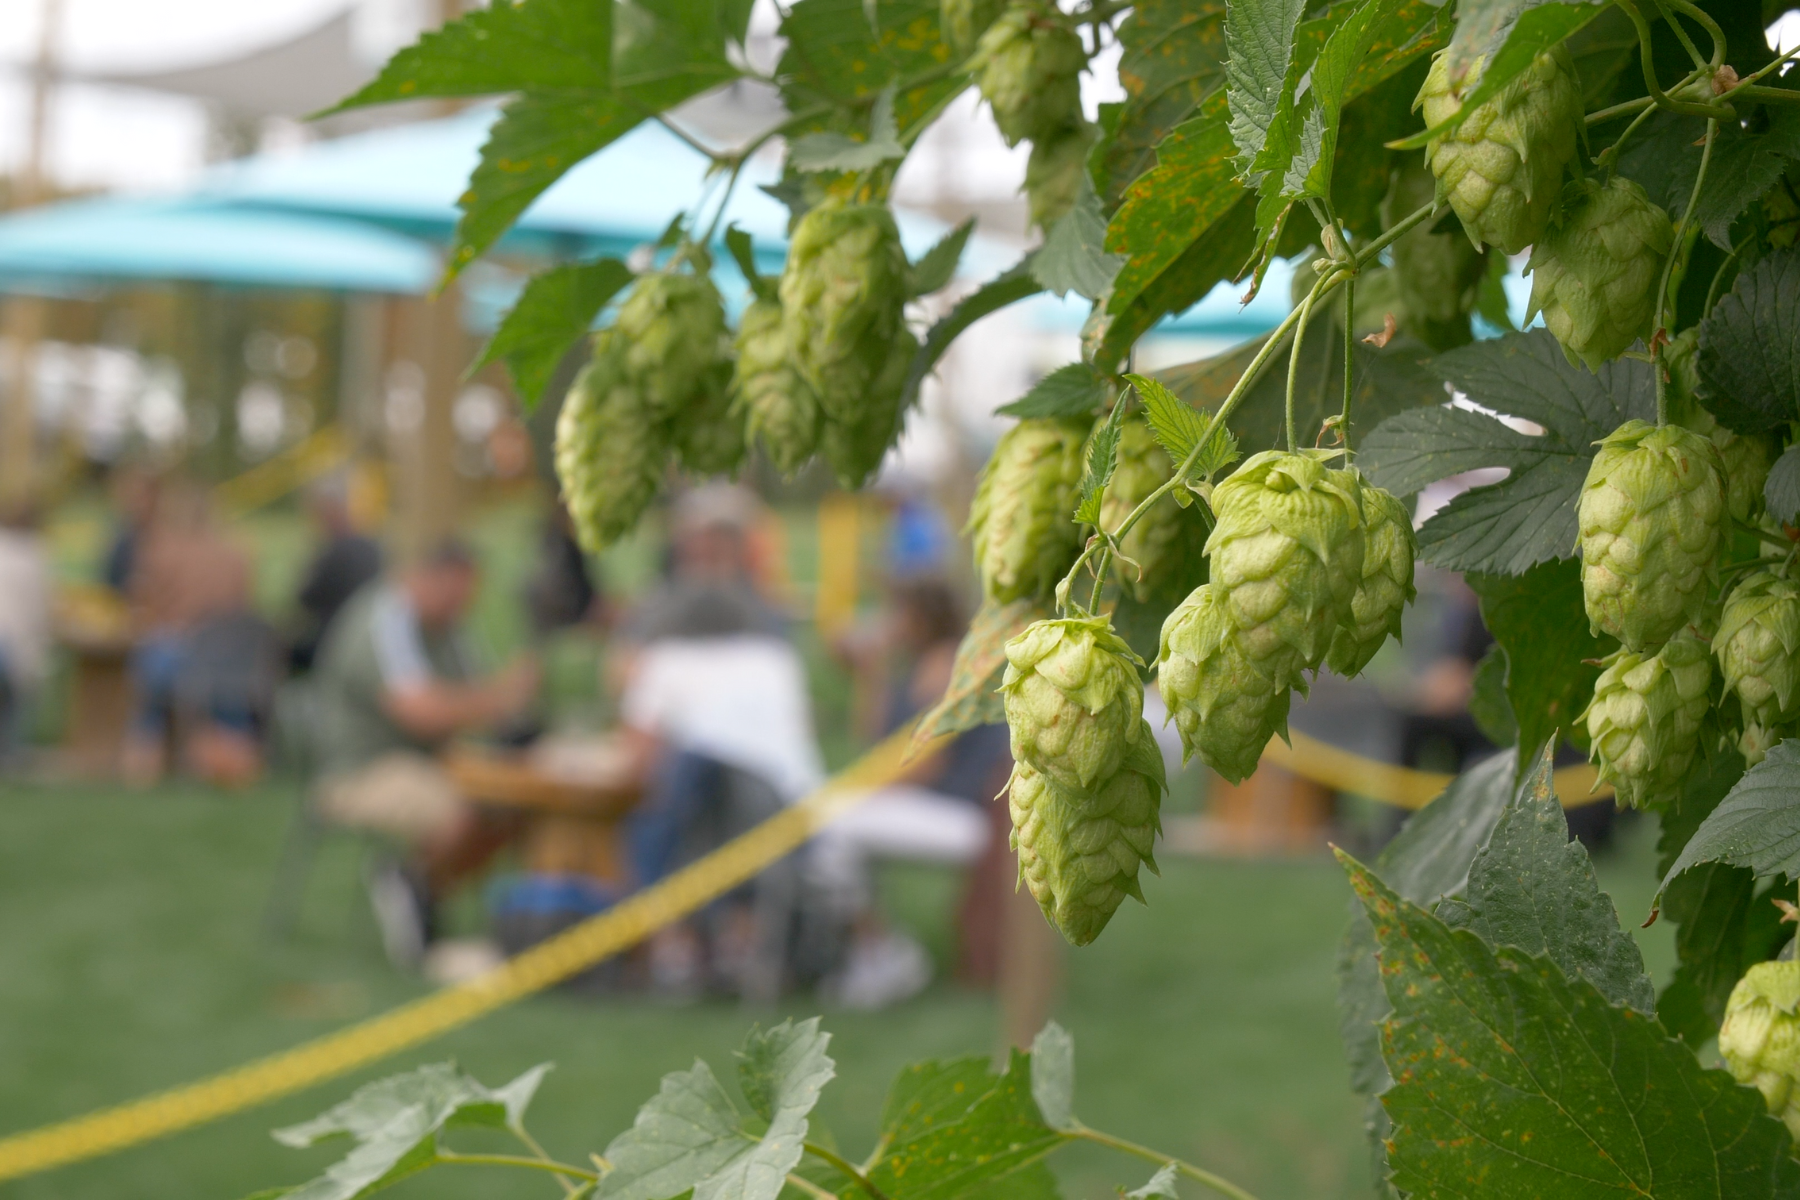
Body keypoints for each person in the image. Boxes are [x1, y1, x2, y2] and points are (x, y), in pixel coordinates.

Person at [608, 484, 823, 995]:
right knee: (689, 785)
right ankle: (707, 938)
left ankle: (672, 938)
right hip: (777, 803)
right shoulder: (767, 653)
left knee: (670, 798)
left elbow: (634, 736)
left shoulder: (758, 628)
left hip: (747, 803)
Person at [310, 539, 540, 967]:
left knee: (514, 809)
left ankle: (421, 891)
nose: (460, 607)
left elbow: (481, 703)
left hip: (429, 763)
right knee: (463, 810)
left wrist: (507, 703)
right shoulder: (386, 620)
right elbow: (421, 712)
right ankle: (411, 893)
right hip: (361, 770)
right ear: (423, 579)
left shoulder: (450, 627)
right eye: (453, 595)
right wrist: (499, 697)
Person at [815, 577, 1001, 1007]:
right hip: (934, 804)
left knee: (830, 828)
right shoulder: (915, 666)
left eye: (896, 614)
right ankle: (872, 948)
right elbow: (874, 744)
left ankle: (881, 952)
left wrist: (861, 791)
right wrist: (870, 674)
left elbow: (923, 763)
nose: (887, 625)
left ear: (922, 617)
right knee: (829, 823)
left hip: (963, 811)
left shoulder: (946, 668)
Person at [123, 480, 255, 785]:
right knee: (228, 704)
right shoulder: (237, 553)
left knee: (149, 700)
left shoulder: (161, 550)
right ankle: (236, 769)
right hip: (229, 660)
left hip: (176, 657)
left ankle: (141, 771)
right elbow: (244, 607)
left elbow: (141, 606)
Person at [288, 476, 382, 673]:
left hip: (335, 644)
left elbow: (304, 598)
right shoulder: (372, 547)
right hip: (372, 643)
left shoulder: (334, 551)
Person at [0, 503, 52, 767]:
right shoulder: (34, 555)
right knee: (14, 703)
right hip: (12, 643)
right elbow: (40, 610)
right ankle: (10, 755)